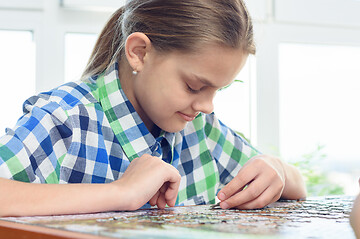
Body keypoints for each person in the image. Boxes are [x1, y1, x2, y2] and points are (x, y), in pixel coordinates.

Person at [0, 0, 306, 217]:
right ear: (139, 53)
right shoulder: (67, 119)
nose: (207, 105)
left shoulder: (201, 128)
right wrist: (120, 193)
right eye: (194, 87)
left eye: (219, 90)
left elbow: (295, 184)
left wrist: (277, 169)